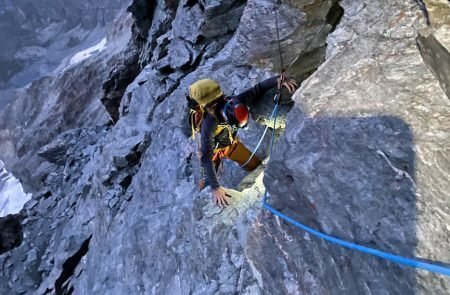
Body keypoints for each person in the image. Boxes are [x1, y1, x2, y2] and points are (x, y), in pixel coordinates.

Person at [188, 75, 298, 207]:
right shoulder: (209, 122)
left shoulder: (236, 101)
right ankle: (205, 189)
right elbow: (206, 155)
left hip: (230, 145)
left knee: (255, 166)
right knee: (207, 182)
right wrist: (216, 188)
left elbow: (257, 89)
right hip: (213, 151)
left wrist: (277, 80)